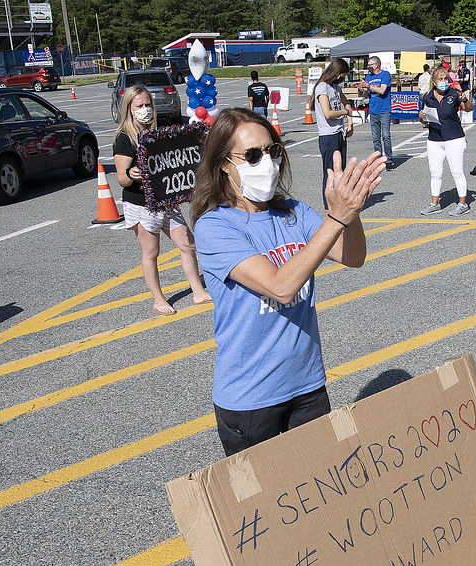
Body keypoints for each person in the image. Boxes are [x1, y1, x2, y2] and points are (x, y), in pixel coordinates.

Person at [190, 108, 386, 455]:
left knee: (320, 495)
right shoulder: (215, 226)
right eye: (252, 155)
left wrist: (350, 216)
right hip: (250, 397)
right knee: (261, 506)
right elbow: (281, 286)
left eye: (272, 151)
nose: (266, 162)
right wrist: (336, 216)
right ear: (223, 164)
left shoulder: (293, 212)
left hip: (307, 385)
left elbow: (353, 257)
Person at [112, 85, 211, 316]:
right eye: (139, 106)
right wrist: (131, 174)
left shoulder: (158, 133)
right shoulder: (125, 139)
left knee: (188, 245)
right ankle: (158, 299)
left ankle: (198, 291)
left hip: (165, 199)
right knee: (151, 252)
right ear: (129, 109)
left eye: (148, 105)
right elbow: (121, 179)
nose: (145, 109)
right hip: (141, 203)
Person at [419, 67, 475, 216]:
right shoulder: (427, 97)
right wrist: (422, 116)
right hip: (434, 139)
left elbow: (469, 108)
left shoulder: (454, 94)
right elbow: (424, 121)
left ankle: (463, 204)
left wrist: (465, 100)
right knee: (435, 173)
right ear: (434, 81)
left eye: (446, 79)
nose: (444, 82)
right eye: (441, 79)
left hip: (454, 138)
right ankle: (434, 203)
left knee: (457, 172)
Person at [311, 58, 354, 209]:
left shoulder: (335, 87)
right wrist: (345, 112)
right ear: (336, 73)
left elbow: (346, 102)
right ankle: (328, 204)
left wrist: (350, 122)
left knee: (340, 171)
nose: (343, 78)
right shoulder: (322, 88)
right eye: (343, 75)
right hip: (328, 136)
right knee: (330, 172)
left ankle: (339, 201)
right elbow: (328, 113)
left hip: (339, 133)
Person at [360, 55, 393, 170]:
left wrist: (368, 85)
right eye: (368, 65)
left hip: (384, 110)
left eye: (370, 65)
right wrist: (362, 89)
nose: (369, 67)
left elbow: (382, 90)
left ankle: (388, 159)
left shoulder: (385, 75)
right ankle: (378, 159)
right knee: (375, 137)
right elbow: (366, 94)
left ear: (376, 65)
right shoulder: (368, 77)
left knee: (386, 135)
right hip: (373, 110)